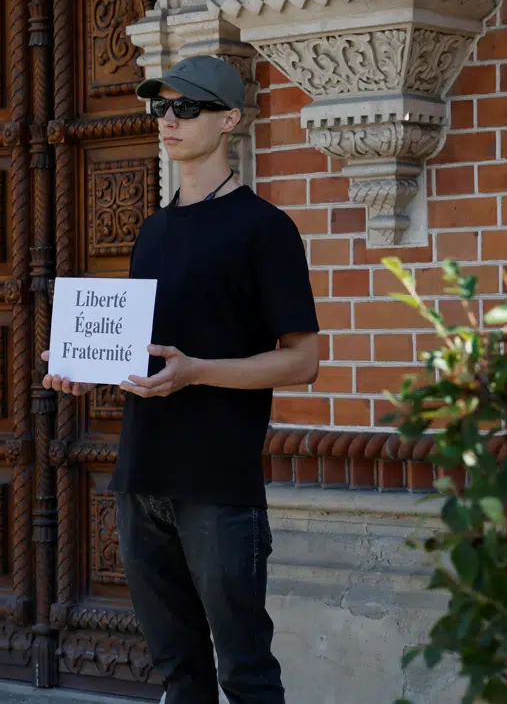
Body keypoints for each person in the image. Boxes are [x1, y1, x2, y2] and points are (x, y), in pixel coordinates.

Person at [41, 54, 319, 704]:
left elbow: (302, 360)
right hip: (141, 478)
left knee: (244, 673)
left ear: (229, 120)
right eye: (160, 107)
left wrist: (197, 373)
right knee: (178, 676)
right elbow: (152, 352)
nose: (168, 119)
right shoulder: (153, 230)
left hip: (219, 485)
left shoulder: (265, 229)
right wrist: (92, 369)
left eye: (185, 107)